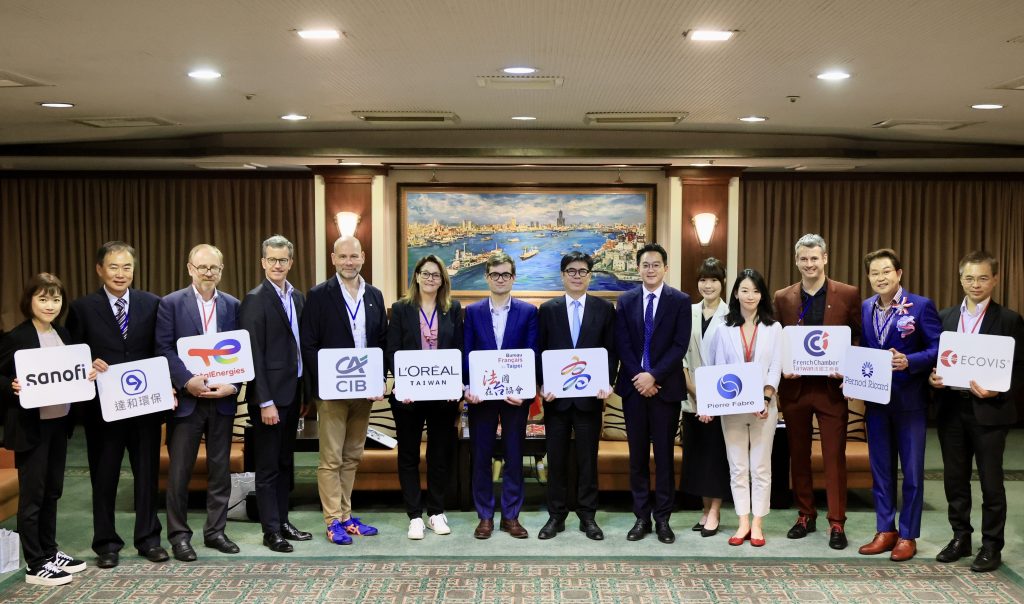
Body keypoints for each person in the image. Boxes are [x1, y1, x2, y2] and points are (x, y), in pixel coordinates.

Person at [66, 241, 168, 569]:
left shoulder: (152, 303)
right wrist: (87, 366)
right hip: (103, 410)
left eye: (127, 267)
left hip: (144, 407)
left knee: (147, 476)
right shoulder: (82, 308)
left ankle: (149, 539)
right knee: (104, 477)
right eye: (113, 267)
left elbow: (160, 349)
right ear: (100, 270)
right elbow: (72, 355)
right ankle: (106, 543)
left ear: (134, 269)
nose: (121, 273)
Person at [930, 251, 1024, 572]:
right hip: (951, 410)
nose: (976, 284)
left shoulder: (1009, 320)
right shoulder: (944, 318)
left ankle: (991, 546)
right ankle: (961, 537)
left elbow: (1020, 368)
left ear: (995, 279)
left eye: (983, 278)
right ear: (960, 279)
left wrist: (999, 389)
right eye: (969, 278)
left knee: (991, 482)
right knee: (954, 480)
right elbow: (935, 360)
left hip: (990, 411)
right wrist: (932, 378)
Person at [0, 274, 92, 585]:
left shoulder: (62, 333)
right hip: (31, 428)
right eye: (43, 299)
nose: (50, 305)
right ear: (29, 301)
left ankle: (50, 551)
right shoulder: (17, 337)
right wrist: (10, 386)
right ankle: (35, 563)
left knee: (53, 491)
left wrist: (89, 373)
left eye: (55, 299)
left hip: (59, 424)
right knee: (33, 495)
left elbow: (72, 373)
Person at [773, 233, 861, 550]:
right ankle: (805, 515)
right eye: (803, 259)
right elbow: (776, 341)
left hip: (830, 389)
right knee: (799, 456)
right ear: (796, 261)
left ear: (825, 258)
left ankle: (837, 522)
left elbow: (858, 338)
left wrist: (848, 366)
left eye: (814, 258)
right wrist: (782, 368)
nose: (809, 264)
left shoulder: (848, 294)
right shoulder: (782, 297)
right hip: (795, 389)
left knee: (834, 457)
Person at [155, 243, 242, 562]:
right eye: (202, 267)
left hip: (221, 401)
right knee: (180, 472)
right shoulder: (170, 304)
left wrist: (233, 385)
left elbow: (241, 350)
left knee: (220, 470)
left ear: (221, 270)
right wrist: (186, 381)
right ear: (190, 268)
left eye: (214, 267)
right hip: (187, 402)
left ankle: (215, 531)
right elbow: (163, 348)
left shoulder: (233, 305)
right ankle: (179, 536)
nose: (208, 272)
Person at [300, 235, 388, 545]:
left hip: (364, 393)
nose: (349, 262)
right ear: (333, 259)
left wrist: (379, 378)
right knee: (331, 459)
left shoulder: (374, 295)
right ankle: (332, 520)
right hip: (333, 394)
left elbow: (382, 342)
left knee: (352, 456)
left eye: (354, 256)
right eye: (343, 256)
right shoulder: (318, 295)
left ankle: (347, 517)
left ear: (363, 257)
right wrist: (328, 381)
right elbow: (308, 344)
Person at [855, 248, 940, 562]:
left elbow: (938, 347)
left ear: (899, 273)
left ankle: (907, 535)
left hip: (910, 402)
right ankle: (885, 530)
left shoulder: (920, 306)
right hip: (876, 403)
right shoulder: (865, 307)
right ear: (869, 277)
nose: (880, 278)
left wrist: (910, 361)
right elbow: (864, 349)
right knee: (881, 471)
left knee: (913, 473)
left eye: (886, 271)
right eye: (875, 273)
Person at [613, 243, 691, 544]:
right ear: (638, 268)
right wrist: (640, 377)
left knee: (664, 458)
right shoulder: (626, 300)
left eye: (656, 264)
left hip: (665, 390)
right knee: (637, 458)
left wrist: (654, 376)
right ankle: (641, 517)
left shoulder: (680, 301)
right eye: (645, 265)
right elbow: (622, 344)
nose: (650, 269)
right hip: (634, 389)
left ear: (665, 268)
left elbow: (679, 345)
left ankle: (663, 519)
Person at [536, 251, 616, 541]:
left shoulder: (604, 309)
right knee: (556, 460)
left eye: (583, 271)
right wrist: (541, 384)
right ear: (563, 275)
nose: (577, 276)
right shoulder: (548, 309)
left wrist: (607, 382)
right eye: (571, 271)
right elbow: (539, 351)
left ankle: (588, 516)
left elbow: (611, 351)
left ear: (590, 276)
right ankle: (556, 516)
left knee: (587, 461)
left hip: (589, 400)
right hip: (556, 400)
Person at [239, 235, 312, 553]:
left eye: (282, 260)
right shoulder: (255, 299)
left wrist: (305, 394)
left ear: (291, 263)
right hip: (269, 400)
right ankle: (270, 531)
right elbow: (253, 354)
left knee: (285, 463)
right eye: (272, 259)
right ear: (263, 262)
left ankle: (283, 521)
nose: (277, 265)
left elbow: (300, 347)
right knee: (268, 467)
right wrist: (264, 401)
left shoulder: (298, 297)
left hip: (293, 394)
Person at [385, 255, 462, 540]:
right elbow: (392, 350)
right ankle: (415, 516)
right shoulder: (400, 309)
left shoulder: (452, 308)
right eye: (426, 273)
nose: (430, 278)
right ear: (416, 276)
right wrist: (403, 382)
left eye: (436, 275)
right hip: (409, 397)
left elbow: (459, 348)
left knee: (439, 455)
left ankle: (436, 512)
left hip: (443, 396)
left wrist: (457, 382)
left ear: (443, 280)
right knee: (408, 455)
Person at [463, 252, 538, 539]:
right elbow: (467, 353)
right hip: (481, 398)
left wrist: (526, 393)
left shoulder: (528, 312)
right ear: (487, 277)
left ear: (513, 278)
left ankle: (511, 516)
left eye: (506, 274)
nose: (500, 279)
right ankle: (484, 516)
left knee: (514, 455)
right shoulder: (472, 312)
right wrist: (468, 388)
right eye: (495, 274)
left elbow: (532, 353)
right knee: (481, 456)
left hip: (515, 399)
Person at [705, 269, 783, 547]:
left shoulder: (774, 328)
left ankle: (758, 523)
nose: (750, 296)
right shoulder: (723, 327)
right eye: (745, 290)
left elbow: (775, 366)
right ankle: (743, 522)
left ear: (762, 295)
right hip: (732, 408)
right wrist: (710, 404)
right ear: (736, 293)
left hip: (764, 407)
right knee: (738, 467)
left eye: (756, 291)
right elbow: (715, 368)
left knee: (761, 467)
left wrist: (766, 398)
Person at [680, 257, 731, 538]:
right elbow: (681, 356)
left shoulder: (732, 315)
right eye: (703, 279)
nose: (707, 285)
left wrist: (711, 399)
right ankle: (705, 508)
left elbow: (733, 361)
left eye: (713, 280)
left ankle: (715, 511)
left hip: (722, 400)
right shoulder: (687, 312)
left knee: (716, 457)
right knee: (697, 457)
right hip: (692, 398)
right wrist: (695, 392)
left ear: (722, 283)